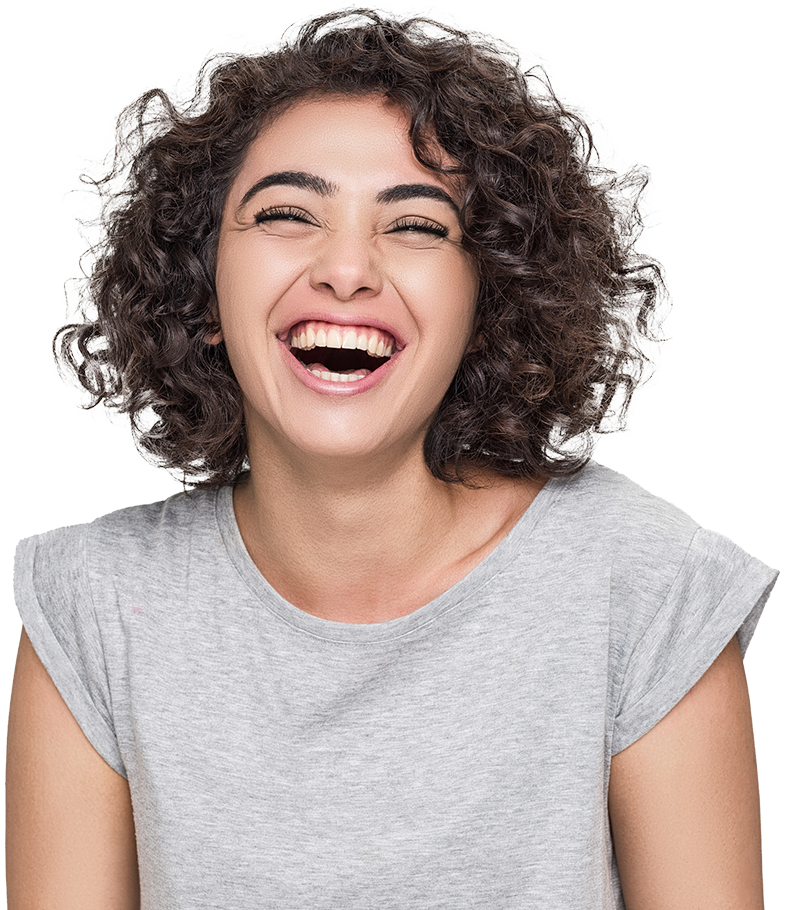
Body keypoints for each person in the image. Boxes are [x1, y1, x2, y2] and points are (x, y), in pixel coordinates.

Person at [6, 8, 777, 909]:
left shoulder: (645, 592)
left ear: (487, 302)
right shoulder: (93, 604)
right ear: (201, 287)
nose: (347, 268)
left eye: (415, 226)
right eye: (288, 213)